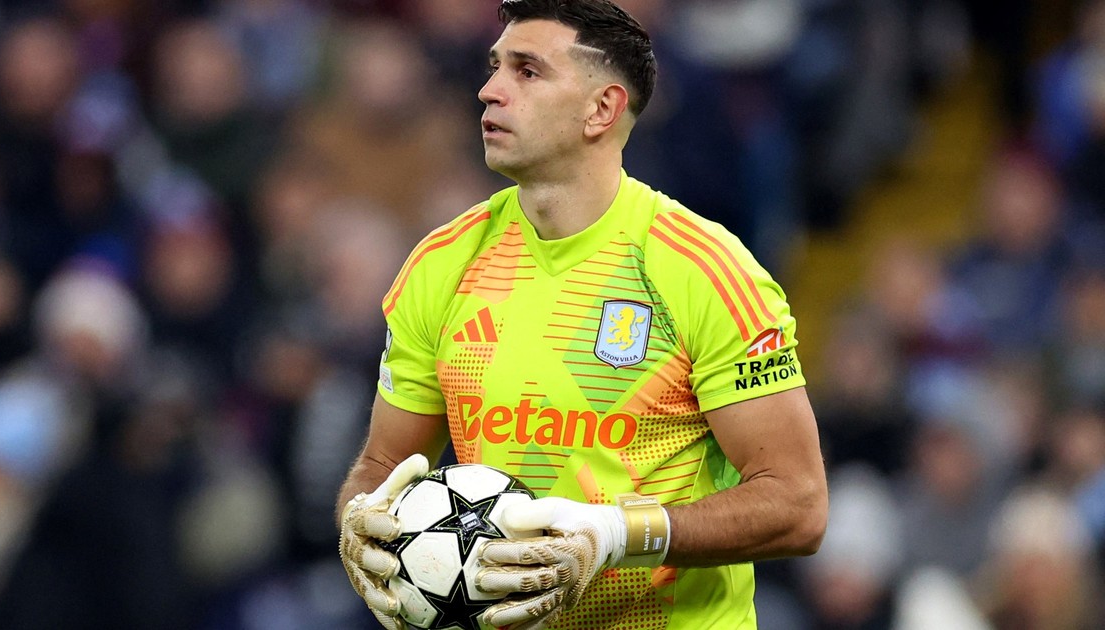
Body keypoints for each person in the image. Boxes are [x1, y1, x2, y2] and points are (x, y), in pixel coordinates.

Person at [336, 1, 828, 628]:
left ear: (602, 109)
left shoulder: (704, 270)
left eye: (527, 71)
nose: (489, 90)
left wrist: (617, 534)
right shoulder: (442, 264)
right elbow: (382, 467)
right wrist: (358, 522)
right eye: (494, 67)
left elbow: (798, 506)